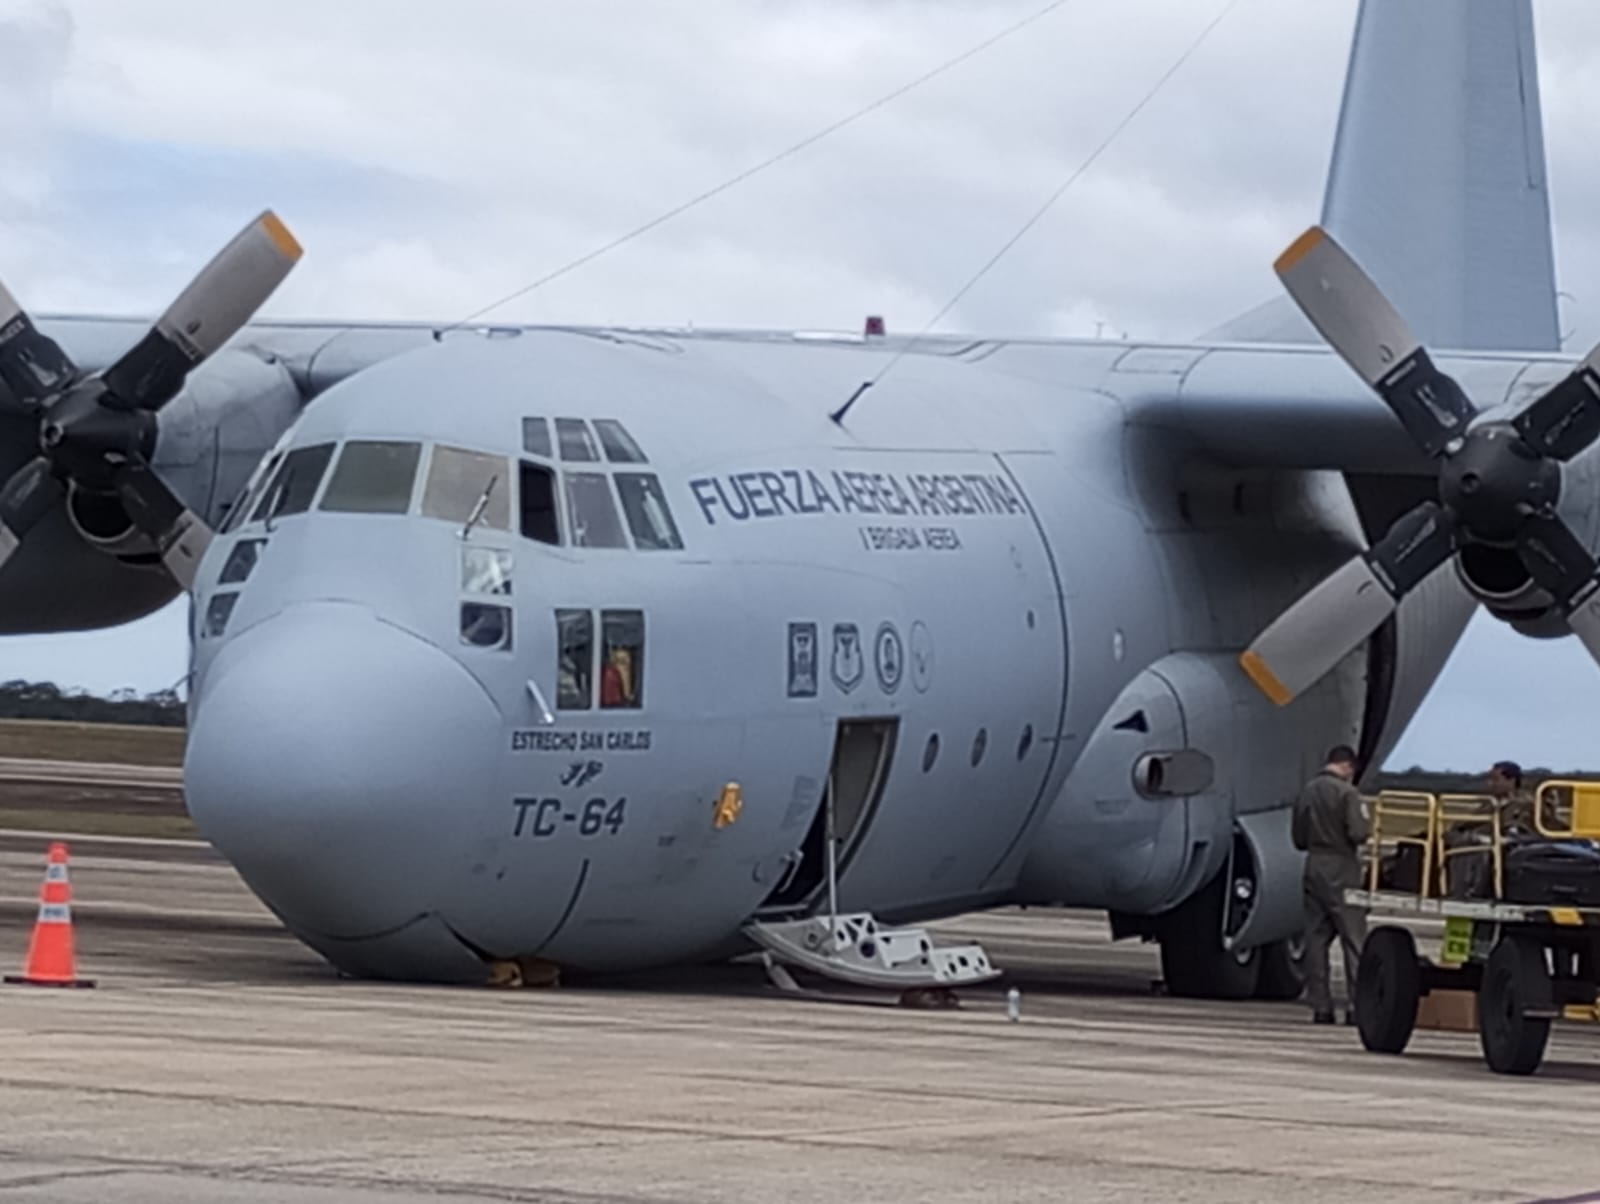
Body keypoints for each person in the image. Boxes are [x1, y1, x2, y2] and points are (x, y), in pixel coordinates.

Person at [1291, 744, 1369, 1025]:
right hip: (1342, 866)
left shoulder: (1307, 791)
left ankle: (1321, 1007)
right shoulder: (1349, 794)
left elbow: (1298, 838)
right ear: (1348, 766)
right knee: (1354, 938)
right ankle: (1357, 1006)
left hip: (1313, 865)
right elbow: (1359, 832)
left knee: (1315, 939)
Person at [1487, 760, 1537, 835]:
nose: (1490, 783)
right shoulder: (1490, 802)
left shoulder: (1528, 804)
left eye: (1495, 779)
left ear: (1511, 780)